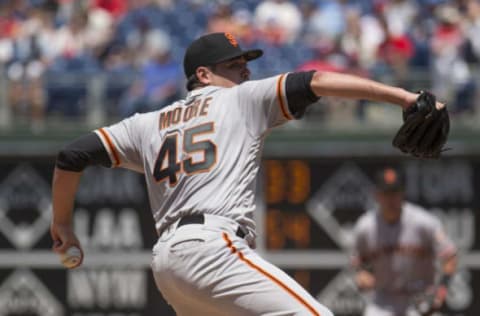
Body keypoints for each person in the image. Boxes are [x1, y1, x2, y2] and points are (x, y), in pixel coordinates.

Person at [50, 32, 443, 316]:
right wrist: (405, 97)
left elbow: (72, 155)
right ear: (203, 75)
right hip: (211, 250)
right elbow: (316, 81)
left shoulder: (146, 124)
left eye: (245, 65)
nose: (245, 73)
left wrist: (63, 225)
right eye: (234, 66)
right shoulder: (240, 99)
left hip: (168, 264)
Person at [351, 166, 457, 316]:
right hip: (383, 300)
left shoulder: (423, 222)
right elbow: (358, 262)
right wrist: (362, 274)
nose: (391, 199)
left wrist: (441, 289)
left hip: (419, 297)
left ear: (402, 193)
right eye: (386, 193)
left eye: (395, 192)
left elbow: (450, 255)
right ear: (376, 195)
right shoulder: (365, 227)